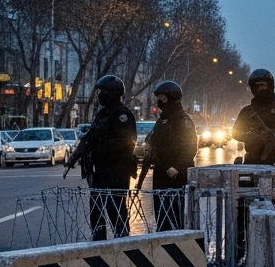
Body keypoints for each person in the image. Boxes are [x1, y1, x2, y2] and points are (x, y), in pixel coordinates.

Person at [79, 75, 138, 240]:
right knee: (96, 211)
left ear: (112, 93)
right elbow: (92, 136)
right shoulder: (102, 114)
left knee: (116, 212)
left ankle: (122, 244)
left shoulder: (122, 115)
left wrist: (99, 150)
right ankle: (99, 244)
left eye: (102, 91)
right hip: (99, 173)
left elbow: (125, 143)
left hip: (116, 172)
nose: (99, 95)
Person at [142, 80, 198, 231]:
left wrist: (177, 167)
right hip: (160, 172)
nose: (160, 102)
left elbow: (190, 147)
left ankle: (176, 247)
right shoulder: (162, 120)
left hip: (174, 175)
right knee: (161, 214)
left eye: (163, 98)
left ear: (172, 98)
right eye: (159, 98)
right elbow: (152, 139)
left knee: (174, 214)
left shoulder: (182, 121)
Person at [230, 69, 275, 166]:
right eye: (257, 86)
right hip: (252, 163)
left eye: (263, 85)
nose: (261, 88)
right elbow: (235, 132)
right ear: (253, 88)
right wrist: (253, 137)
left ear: (270, 86)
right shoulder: (247, 111)